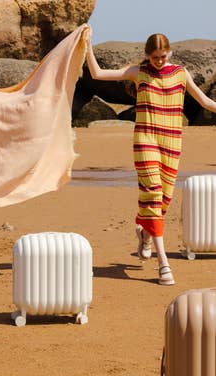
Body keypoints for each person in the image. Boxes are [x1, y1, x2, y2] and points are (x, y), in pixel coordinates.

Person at [85, 26, 216, 285]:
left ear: (170, 53)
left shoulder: (181, 73)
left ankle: (144, 234)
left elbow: (205, 102)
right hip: (145, 141)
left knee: (163, 201)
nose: (159, 61)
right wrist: (87, 45)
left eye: (163, 57)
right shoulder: (139, 73)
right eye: (155, 57)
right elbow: (97, 73)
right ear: (148, 55)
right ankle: (163, 263)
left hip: (172, 143)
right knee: (154, 194)